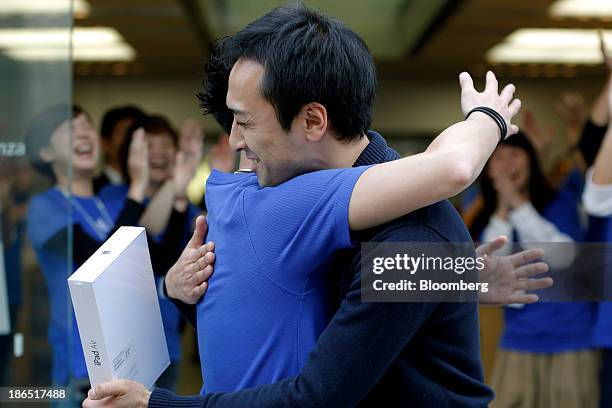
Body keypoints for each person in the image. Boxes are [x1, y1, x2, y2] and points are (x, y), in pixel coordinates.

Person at [84, 5, 551, 407]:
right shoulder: (305, 201)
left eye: (245, 122)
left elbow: (317, 396)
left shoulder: (409, 235)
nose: (234, 142)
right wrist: (189, 292)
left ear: (312, 120)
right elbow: (287, 321)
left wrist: (155, 403)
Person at [25, 105, 184, 406]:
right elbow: (99, 265)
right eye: (70, 128)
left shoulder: (111, 202)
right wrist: (137, 188)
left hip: (133, 365)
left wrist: (177, 185)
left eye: (87, 124)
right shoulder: (46, 206)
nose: (84, 131)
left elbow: (159, 261)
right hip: (83, 368)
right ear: (46, 153)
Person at [470, 131, 597, 408]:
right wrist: (503, 209)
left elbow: (562, 256)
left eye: (515, 154)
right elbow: (489, 274)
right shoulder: (484, 219)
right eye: (498, 157)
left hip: (571, 338)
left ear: (531, 160)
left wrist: (518, 203)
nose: (507, 164)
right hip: (519, 339)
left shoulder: (560, 202)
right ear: (488, 168)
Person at [107, 114, 203, 392]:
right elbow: (137, 241)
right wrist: (177, 183)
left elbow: (168, 261)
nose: (160, 151)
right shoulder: (114, 198)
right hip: (121, 348)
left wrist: (179, 188)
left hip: (166, 345)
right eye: (150, 144)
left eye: (166, 144)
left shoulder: (188, 211)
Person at [94, 105, 145, 193]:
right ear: (105, 144)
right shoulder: (92, 190)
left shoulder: (157, 188)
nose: (134, 142)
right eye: (126, 134)